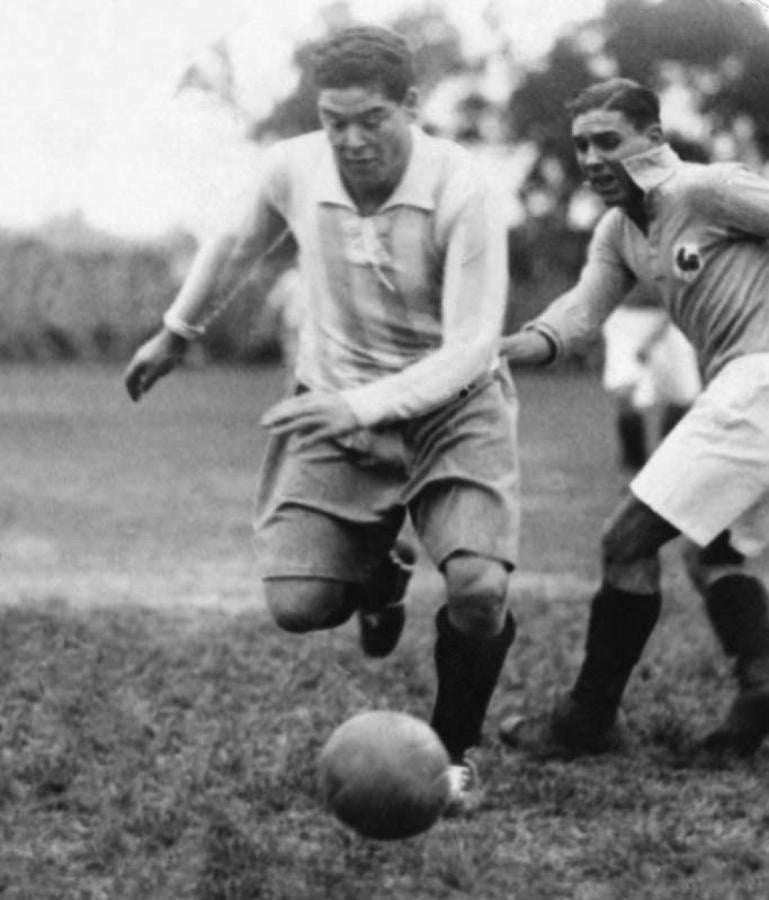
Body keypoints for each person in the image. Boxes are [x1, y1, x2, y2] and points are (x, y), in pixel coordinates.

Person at [124, 25, 519, 811]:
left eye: (371, 118)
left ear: (410, 105)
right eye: (334, 120)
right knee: (298, 607)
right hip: (335, 399)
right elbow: (236, 244)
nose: (351, 139)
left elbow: (474, 344)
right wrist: (178, 331)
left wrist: (364, 404)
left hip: (454, 406)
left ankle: (453, 754)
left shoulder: (462, 185)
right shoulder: (293, 167)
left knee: (477, 589)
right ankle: (380, 574)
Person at [497, 77, 769, 758]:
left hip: (759, 380)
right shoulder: (620, 231)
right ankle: (759, 695)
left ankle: (586, 719)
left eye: (606, 141)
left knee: (627, 541)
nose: (590, 158)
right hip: (739, 390)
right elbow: (580, 313)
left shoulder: (705, 189)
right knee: (714, 551)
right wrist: (503, 349)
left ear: (653, 140)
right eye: (581, 144)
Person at [601, 286, 701, 472]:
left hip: (671, 318)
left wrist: (654, 336)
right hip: (624, 316)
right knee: (624, 392)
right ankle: (634, 466)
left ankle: (669, 460)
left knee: (682, 396)